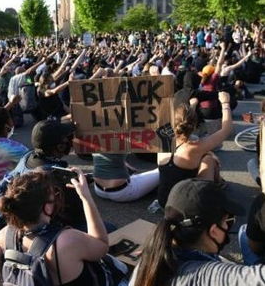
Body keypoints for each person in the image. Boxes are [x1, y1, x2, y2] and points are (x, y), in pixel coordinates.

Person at [0, 169, 120, 286]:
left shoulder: (5, 235)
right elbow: (102, 246)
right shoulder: (66, 240)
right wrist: (86, 198)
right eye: (52, 197)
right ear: (47, 208)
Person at [130, 178, 265, 286]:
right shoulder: (206, 276)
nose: (229, 226)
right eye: (228, 221)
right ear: (213, 230)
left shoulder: (151, 260)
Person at [157, 91, 232, 208]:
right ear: (194, 124)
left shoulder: (163, 138)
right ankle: (217, 187)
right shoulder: (195, 147)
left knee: (205, 155)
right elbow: (226, 130)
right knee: (209, 158)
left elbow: (182, 121)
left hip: (163, 201)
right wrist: (225, 103)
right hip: (182, 205)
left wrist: (192, 106)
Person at [92, 153, 159, 202]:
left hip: (99, 190)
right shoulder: (122, 138)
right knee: (161, 170)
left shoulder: (94, 136)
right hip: (122, 193)